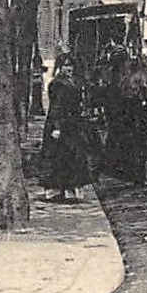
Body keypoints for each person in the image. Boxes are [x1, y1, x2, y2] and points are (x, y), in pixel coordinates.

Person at [43, 58, 95, 203]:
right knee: (59, 156)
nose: (69, 68)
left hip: (73, 124)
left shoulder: (76, 82)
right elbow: (56, 107)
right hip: (60, 123)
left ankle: (71, 188)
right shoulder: (57, 84)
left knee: (74, 156)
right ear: (60, 67)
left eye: (71, 65)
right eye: (66, 66)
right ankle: (56, 189)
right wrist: (56, 127)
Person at [106, 53, 147, 185]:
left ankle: (135, 175)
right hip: (131, 116)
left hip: (130, 116)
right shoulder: (122, 78)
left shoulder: (118, 78)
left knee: (134, 146)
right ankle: (137, 175)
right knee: (137, 146)